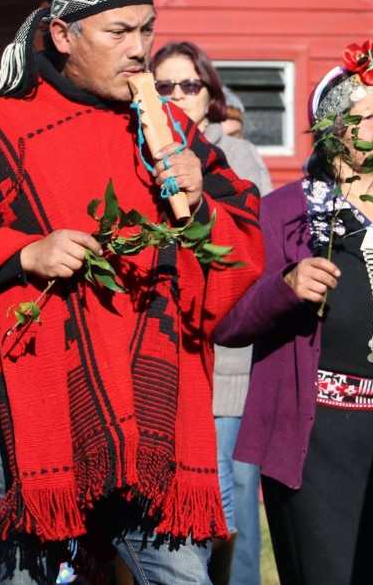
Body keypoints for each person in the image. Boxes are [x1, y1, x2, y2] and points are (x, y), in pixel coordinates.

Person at [0, 0, 263, 585]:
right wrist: (21, 254)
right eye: (118, 32)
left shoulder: (174, 130)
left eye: (146, 30)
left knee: (181, 578)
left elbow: (240, 247)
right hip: (34, 405)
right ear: (64, 36)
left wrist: (203, 204)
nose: (139, 50)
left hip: (156, 406)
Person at [216, 40, 373, 585]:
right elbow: (228, 321)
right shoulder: (286, 212)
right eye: (367, 114)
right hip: (317, 442)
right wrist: (285, 285)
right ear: (331, 133)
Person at [151, 40, 271, 585]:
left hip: (228, 347)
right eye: (165, 87)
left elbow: (256, 250)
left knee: (230, 493)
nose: (178, 94)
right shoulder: (145, 144)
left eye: (189, 85)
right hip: (170, 352)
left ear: (209, 93)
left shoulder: (235, 155)